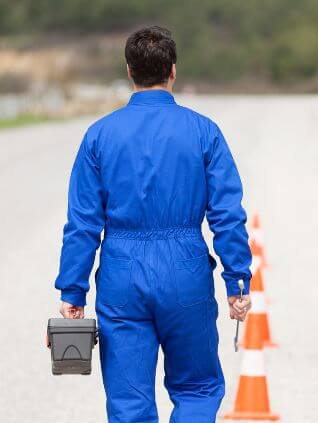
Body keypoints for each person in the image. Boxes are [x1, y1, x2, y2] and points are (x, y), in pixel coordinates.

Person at [51, 26, 252, 422]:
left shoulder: (99, 135)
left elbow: (83, 222)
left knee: (128, 402)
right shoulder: (203, 132)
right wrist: (237, 282)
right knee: (197, 388)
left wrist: (72, 289)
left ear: (129, 70)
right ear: (173, 71)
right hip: (185, 268)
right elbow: (228, 214)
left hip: (122, 273)